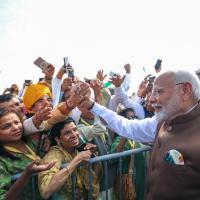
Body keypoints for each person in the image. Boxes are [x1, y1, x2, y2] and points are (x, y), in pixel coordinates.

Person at [78, 70, 200, 200]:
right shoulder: (159, 123)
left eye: (159, 91)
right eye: (153, 92)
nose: (152, 99)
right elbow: (126, 126)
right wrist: (92, 106)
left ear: (185, 91)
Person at [38, 117, 101, 200]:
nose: (74, 135)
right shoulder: (53, 155)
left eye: (75, 130)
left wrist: (93, 157)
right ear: (58, 139)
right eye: (67, 133)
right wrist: (76, 160)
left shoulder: (78, 150)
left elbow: (95, 180)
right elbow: (45, 191)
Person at [0, 108, 55, 200]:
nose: (15, 128)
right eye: (6, 127)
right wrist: (27, 174)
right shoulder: (2, 160)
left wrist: (44, 151)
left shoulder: (29, 141)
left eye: (17, 122)